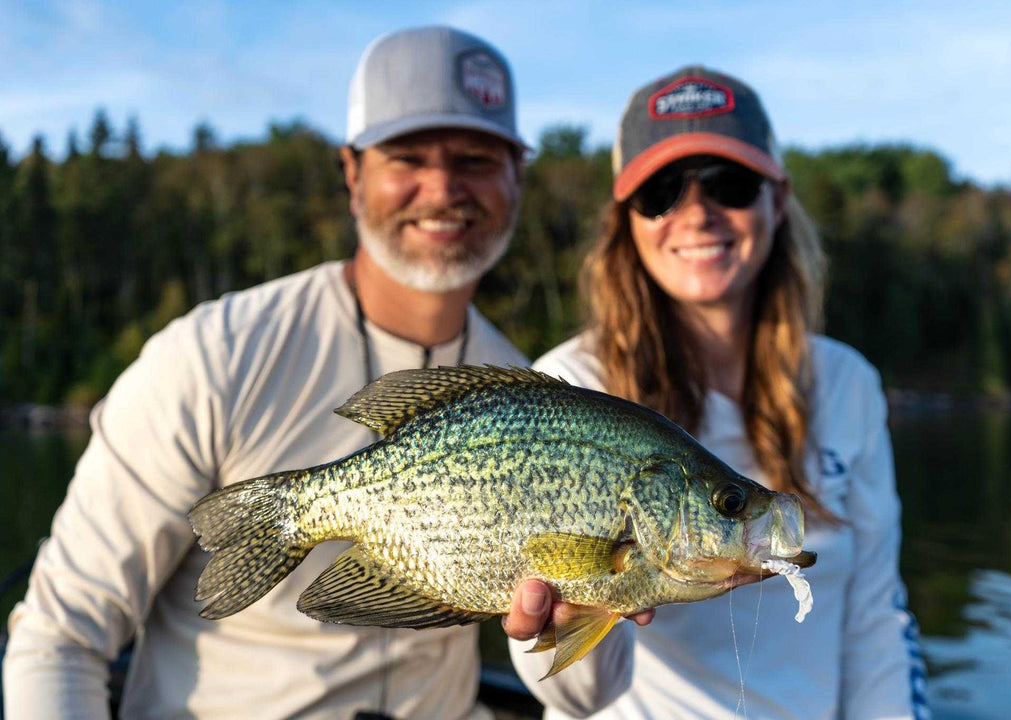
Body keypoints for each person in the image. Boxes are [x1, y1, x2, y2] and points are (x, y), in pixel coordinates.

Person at [4, 26, 533, 720]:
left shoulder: (528, 396)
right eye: (407, 156)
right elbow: (59, 635)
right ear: (352, 171)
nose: (442, 188)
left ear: (516, 178)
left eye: (473, 158)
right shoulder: (215, 356)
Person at [504, 67, 930, 719]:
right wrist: (560, 621)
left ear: (777, 201)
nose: (697, 213)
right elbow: (578, 698)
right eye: (662, 191)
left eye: (729, 185)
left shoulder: (848, 385)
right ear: (627, 220)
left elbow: (875, 621)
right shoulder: (568, 389)